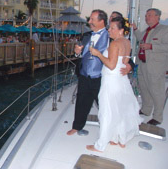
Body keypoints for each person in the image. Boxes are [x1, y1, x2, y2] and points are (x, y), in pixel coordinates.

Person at [87, 16, 143, 152]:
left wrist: (98, 54)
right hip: (121, 80)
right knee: (120, 109)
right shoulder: (127, 42)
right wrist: (127, 66)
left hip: (111, 81)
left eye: (112, 28)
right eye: (109, 27)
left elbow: (111, 65)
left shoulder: (114, 44)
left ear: (120, 30)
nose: (109, 30)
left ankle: (100, 145)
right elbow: (125, 60)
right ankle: (119, 139)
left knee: (107, 112)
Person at [67, 9, 109, 135]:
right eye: (90, 19)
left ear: (101, 21)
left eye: (92, 19)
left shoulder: (110, 37)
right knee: (81, 102)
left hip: (101, 77)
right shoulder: (86, 36)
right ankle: (77, 126)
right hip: (84, 75)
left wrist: (129, 65)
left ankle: (108, 129)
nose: (89, 21)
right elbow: (80, 55)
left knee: (104, 104)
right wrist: (77, 52)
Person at [133, 8, 168, 125]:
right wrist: (135, 29)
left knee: (157, 92)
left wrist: (151, 46)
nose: (147, 17)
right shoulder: (147, 30)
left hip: (155, 66)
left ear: (157, 17)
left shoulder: (164, 30)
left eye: (150, 15)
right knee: (144, 89)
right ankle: (146, 110)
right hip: (142, 65)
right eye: (146, 15)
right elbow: (140, 39)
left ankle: (157, 117)